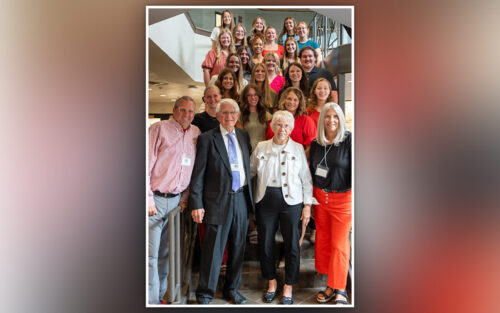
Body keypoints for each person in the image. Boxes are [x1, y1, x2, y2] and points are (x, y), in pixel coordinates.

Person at [190, 98, 254, 305]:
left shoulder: (244, 137)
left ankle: (232, 290)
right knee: (213, 249)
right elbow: (198, 174)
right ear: (217, 116)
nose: (228, 117)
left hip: (241, 200)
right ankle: (205, 292)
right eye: (224, 113)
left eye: (232, 113)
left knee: (237, 248)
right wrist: (196, 202)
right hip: (217, 201)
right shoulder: (208, 138)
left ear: (237, 116)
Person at [250, 110, 313, 305]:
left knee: (292, 244)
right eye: (278, 124)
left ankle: (289, 285)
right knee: (266, 243)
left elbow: (306, 179)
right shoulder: (261, 147)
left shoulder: (297, 149)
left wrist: (307, 205)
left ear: (291, 128)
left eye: (286, 125)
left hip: (292, 202)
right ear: (272, 127)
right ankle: (271, 283)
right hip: (266, 200)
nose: (282, 129)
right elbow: (249, 172)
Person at [147, 96, 200, 305]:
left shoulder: (195, 132)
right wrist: (147, 199)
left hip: (177, 203)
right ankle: (149, 301)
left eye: (190, 112)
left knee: (165, 254)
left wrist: (185, 198)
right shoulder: (159, 129)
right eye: (182, 110)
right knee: (150, 256)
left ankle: (160, 296)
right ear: (174, 110)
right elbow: (145, 162)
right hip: (155, 200)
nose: (186, 115)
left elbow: (190, 169)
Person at [309, 103, 351, 305]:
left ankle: (340, 287)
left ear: (341, 119)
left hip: (343, 199)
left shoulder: (349, 139)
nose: (331, 120)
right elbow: (311, 172)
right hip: (320, 198)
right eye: (327, 116)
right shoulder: (317, 143)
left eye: (335, 116)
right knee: (324, 242)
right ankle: (330, 285)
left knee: (339, 245)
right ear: (322, 119)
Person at [236, 84, 272, 246]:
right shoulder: (240, 116)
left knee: (262, 191)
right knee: (249, 192)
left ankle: (262, 224)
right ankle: (251, 227)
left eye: (255, 95)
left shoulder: (267, 115)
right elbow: (239, 137)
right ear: (245, 97)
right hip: (247, 157)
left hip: (265, 159)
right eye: (249, 95)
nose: (253, 98)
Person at [266, 87, 316, 155]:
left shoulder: (307, 121)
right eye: (289, 99)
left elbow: (310, 147)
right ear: (284, 100)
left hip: (299, 161)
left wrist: (299, 161)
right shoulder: (275, 120)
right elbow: (270, 143)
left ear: (299, 103)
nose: (291, 102)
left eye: (295, 100)